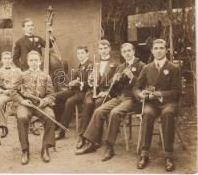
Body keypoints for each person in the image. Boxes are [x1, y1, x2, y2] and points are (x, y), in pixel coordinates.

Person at [75, 43, 145, 161]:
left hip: (132, 99)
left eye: (129, 51)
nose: (127, 53)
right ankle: (91, 143)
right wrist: (115, 80)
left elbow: (143, 86)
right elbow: (113, 87)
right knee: (99, 110)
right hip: (119, 97)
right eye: (124, 52)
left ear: (134, 51)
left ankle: (109, 147)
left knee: (114, 113)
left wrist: (132, 77)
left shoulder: (141, 66)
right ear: (122, 54)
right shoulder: (121, 66)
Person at [133, 39, 181, 172]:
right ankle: (144, 154)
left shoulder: (173, 68)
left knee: (168, 114)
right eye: (156, 48)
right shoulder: (147, 68)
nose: (158, 50)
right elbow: (136, 88)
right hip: (152, 103)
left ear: (166, 50)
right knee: (147, 114)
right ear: (152, 50)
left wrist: (160, 94)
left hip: (168, 102)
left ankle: (168, 156)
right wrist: (140, 95)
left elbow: (177, 91)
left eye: (161, 48)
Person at [75, 39, 119, 149]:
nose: (103, 51)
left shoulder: (115, 64)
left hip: (106, 92)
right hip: (94, 90)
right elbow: (91, 82)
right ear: (98, 50)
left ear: (109, 49)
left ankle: (96, 138)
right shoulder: (95, 63)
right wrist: (91, 79)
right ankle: (82, 136)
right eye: (101, 49)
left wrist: (106, 92)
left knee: (99, 104)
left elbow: (115, 83)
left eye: (105, 48)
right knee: (89, 103)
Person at [16, 51, 56, 165]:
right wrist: (22, 100)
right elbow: (13, 92)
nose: (34, 63)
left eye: (36, 60)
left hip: (41, 105)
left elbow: (51, 94)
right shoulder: (22, 75)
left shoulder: (45, 76)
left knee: (51, 116)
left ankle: (45, 148)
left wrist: (45, 101)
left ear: (40, 62)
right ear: (28, 62)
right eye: (31, 60)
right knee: (22, 117)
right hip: (25, 104)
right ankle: (25, 150)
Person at [54, 45, 93, 140]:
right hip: (76, 89)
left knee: (69, 102)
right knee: (56, 96)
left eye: (82, 53)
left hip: (85, 92)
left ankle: (62, 131)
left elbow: (91, 83)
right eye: (78, 53)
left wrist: (78, 83)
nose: (80, 55)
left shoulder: (90, 65)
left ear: (87, 53)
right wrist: (72, 83)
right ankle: (57, 123)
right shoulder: (81, 64)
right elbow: (79, 79)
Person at [0, 51, 23, 138]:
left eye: (8, 58)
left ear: (11, 60)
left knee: (26, 102)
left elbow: (23, 82)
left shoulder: (18, 70)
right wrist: (2, 91)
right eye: (5, 58)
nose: (7, 60)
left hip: (16, 93)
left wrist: (19, 88)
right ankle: (3, 126)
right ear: (1, 60)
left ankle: (31, 125)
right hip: (5, 94)